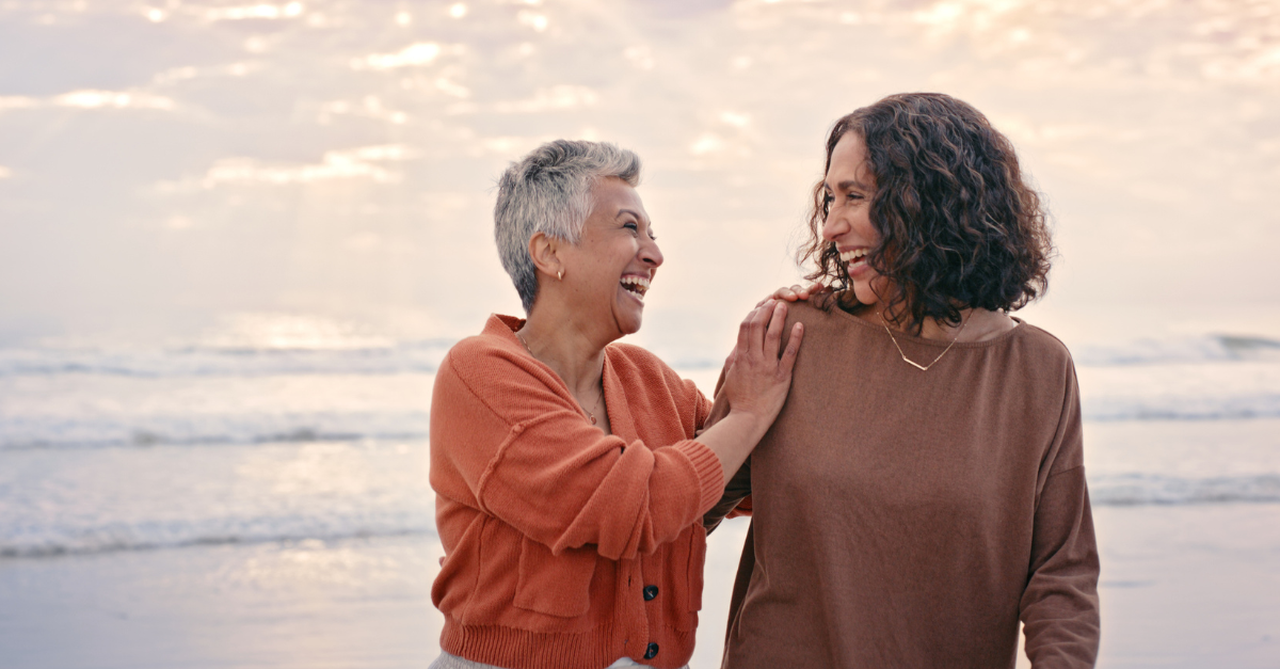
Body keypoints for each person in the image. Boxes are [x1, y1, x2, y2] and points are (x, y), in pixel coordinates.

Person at [705, 93, 1101, 668]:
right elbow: (689, 508)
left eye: (857, 197)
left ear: (933, 203)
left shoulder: (1037, 370)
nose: (832, 226)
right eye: (829, 198)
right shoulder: (792, 335)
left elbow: (1061, 575)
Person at [428, 139, 803, 669]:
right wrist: (745, 413)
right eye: (630, 228)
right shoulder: (479, 373)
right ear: (550, 252)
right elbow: (629, 507)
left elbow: (750, 474)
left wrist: (808, 334)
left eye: (652, 233)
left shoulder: (649, 379)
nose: (654, 253)